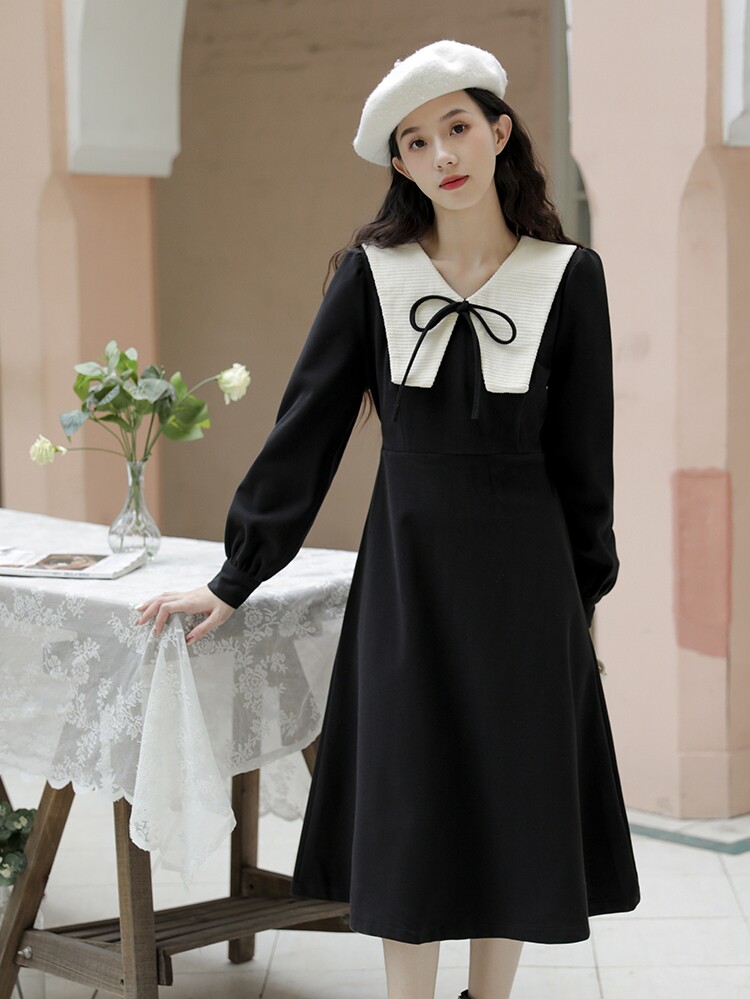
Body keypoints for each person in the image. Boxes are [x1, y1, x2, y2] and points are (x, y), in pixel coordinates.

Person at [136, 38, 641, 999]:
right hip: (409, 587)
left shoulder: (570, 278)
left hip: (528, 595)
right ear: (400, 165)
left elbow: (587, 465)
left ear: (499, 132)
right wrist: (236, 575)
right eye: (415, 142)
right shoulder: (373, 276)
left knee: (513, 800)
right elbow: (306, 433)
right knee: (411, 806)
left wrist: (580, 607)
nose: (441, 154)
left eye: (457, 127)